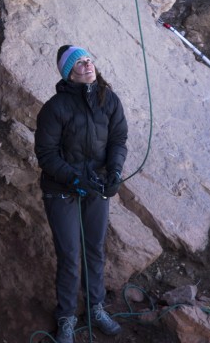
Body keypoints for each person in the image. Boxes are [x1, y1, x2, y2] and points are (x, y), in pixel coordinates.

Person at [35, 46, 128, 343]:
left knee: (95, 249)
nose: (87, 65)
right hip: (62, 191)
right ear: (68, 73)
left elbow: (118, 139)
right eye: (79, 63)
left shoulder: (108, 99)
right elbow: (46, 155)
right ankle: (66, 317)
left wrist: (114, 172)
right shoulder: (55, 108)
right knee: (70, 256)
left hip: (96, 188)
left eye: (89, 59)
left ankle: (95, 308)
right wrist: (74, 179)